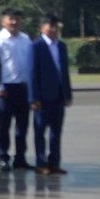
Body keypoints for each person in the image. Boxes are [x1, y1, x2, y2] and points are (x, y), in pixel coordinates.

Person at [0, 8, 36, 172]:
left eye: (17, 19)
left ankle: (20, 158)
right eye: (10, 19)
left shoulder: (26, 39)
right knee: (3, 126)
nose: (14, 22)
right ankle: (3, 157)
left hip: (23, 88)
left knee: (22, 126)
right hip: (5, 88)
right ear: (3, 21)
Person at [31, 14, 72, 175]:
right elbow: (32, 74)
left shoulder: (61, 46)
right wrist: (33, 98)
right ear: (42, 28)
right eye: (50, 25)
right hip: (41, 98)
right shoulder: (36, 46)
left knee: (56, 132)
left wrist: (67, 94)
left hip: (59, 96)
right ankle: (41, 163)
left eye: (56, 26)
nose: (53, 29)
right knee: (40, 131)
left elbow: (65, 72)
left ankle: (54, 162)